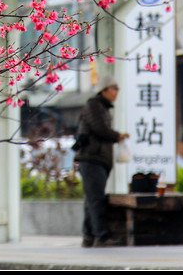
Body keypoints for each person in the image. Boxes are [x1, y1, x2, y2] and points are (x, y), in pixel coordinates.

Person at [74, 75, 129, 247]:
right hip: (92, 159)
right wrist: (117, 136)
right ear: (104, 90)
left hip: (98, 160)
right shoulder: (94, 105)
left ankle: (89, 236)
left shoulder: (102, 107)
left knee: (92, 198)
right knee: (96, 199)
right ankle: (102, 236)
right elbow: (100, 129)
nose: (116, 92)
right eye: (114, 88)